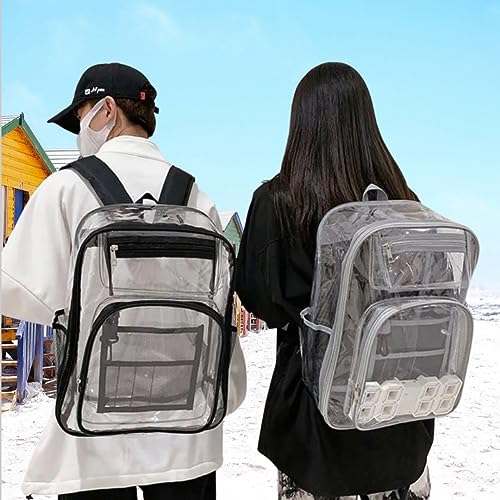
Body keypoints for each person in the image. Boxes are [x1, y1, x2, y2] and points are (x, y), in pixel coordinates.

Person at [2, 62, 246, 500]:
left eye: (81, 117)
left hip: (94, 427)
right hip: (186, 424)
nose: (79, 132)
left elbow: (18, 291)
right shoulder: (196, 196)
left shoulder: (67, 188)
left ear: (107, 110)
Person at [235, 62, 432, 500]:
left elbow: (260, 302)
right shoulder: (405, 203)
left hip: (315, 416)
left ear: (301, 123)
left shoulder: (277, 200)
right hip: (396, 409)